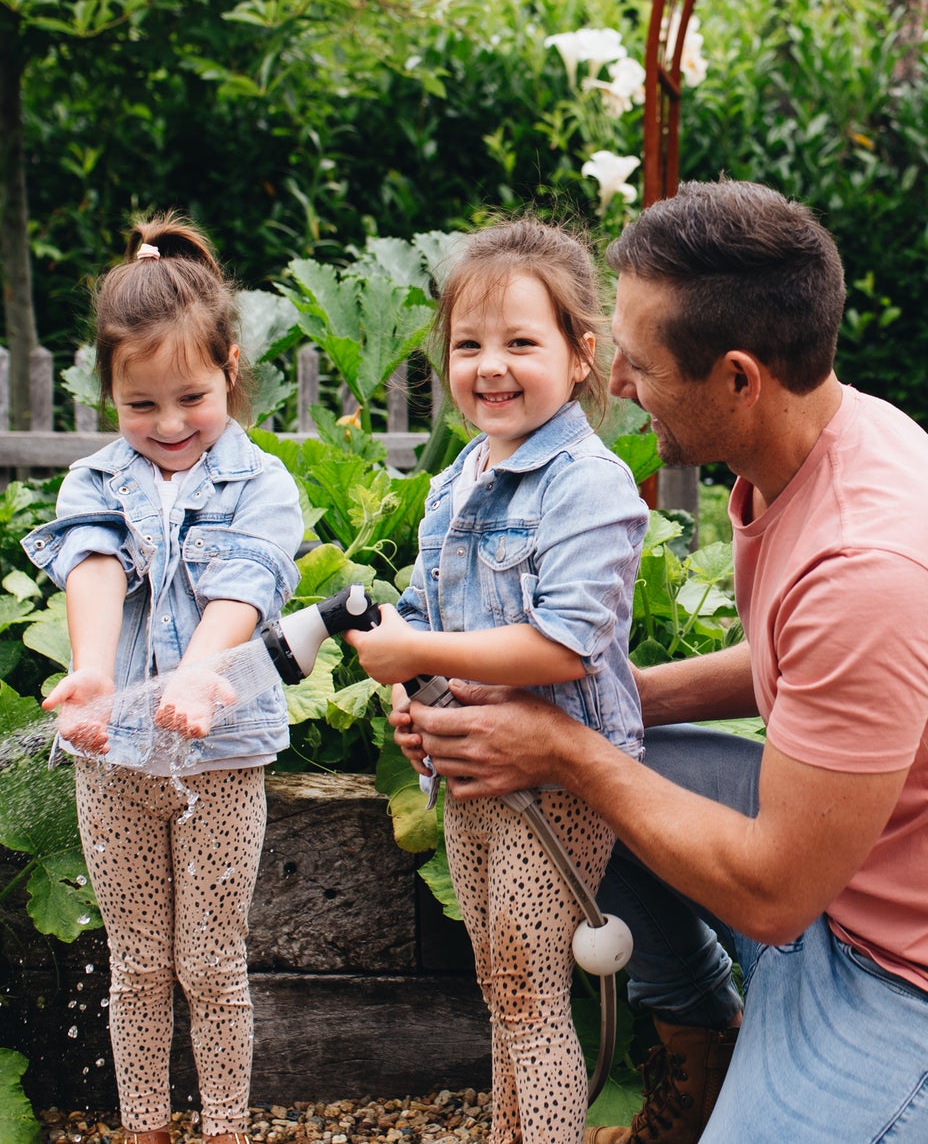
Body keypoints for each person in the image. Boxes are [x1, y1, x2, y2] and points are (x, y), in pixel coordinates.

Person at [396, 180, 928, 1144]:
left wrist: (563, 746)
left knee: (594, 768)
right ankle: (702, 1037)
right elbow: (786, 658)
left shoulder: (871, 567)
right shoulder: (829, 441)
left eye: (640, 365)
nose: (623, 386)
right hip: (842, 873)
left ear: (737, 378)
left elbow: (773, 893)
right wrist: (606, 701)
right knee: (613, 751)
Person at [346, 217, 648, 1144]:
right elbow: (435, 621)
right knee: (500, 983)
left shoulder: (587, 485)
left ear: (581, 354)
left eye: (522, 342)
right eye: (469, 344)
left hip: (560, 776)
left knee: (527, 990)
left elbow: (565, 645)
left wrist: (423, 658)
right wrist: (413, 697)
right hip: (473, 769)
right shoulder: (457, 481)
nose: (491, 366)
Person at [23, 214, 303, 1144]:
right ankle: (145, 1127)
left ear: (228, 366)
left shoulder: (262, 482)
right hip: (115, 765)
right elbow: (93, 568)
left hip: (219, 759)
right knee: (138, 964)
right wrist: (96, 677)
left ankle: (224, 1128)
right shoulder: (93, 485)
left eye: (191, 396)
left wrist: (195, 674)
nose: (171, 425)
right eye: (141, 407)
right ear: (108, 392)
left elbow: (249, 583)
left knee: (214, 966)